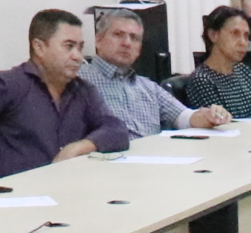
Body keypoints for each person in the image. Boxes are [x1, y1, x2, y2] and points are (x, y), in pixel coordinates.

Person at [0, 10, 126, 182]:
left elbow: (116, 129)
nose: (78, 56)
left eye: (80, 47)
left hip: (68, 189)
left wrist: (80, 147)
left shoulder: (82, 90)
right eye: (69, 46)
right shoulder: (9, 85)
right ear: (39, 47)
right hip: (17, 195)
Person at [88, 8, 225, 138]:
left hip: (155, 153)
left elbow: (183, 117)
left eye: (134, 38)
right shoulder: (80, 81)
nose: (127, 43)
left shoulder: (148, 87)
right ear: (98, 40)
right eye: (118, 35)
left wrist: (209, 116)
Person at [171, 7, 251, 120]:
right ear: (213, 35)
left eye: (246, 36)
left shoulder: (245, 72)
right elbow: (217, 123)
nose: (243, 42)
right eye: (235, 34)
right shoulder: (202, 79)